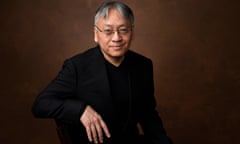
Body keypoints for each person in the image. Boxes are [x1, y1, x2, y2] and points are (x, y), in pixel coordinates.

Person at [32, 1, 171, 144]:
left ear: (132, 32)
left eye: (123, 30)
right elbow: (41, 104)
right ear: (96, 34)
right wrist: (81, 110)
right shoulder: (77, 67)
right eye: (108, 31)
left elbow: (149, 115)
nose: (116, 38)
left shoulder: (143, 65)